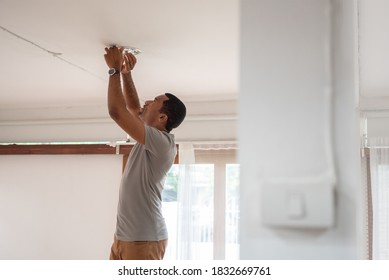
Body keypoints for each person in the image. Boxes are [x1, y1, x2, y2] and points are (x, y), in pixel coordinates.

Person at [104, 46, 186, 260]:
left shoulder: (162, 143)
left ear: (162, 118)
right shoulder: (149, 136)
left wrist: (113, 70)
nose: (147, 102)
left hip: (144, 240)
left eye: (154, 101)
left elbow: (117, 112)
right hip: (124, 238)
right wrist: (126, 73)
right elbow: (132, 108)